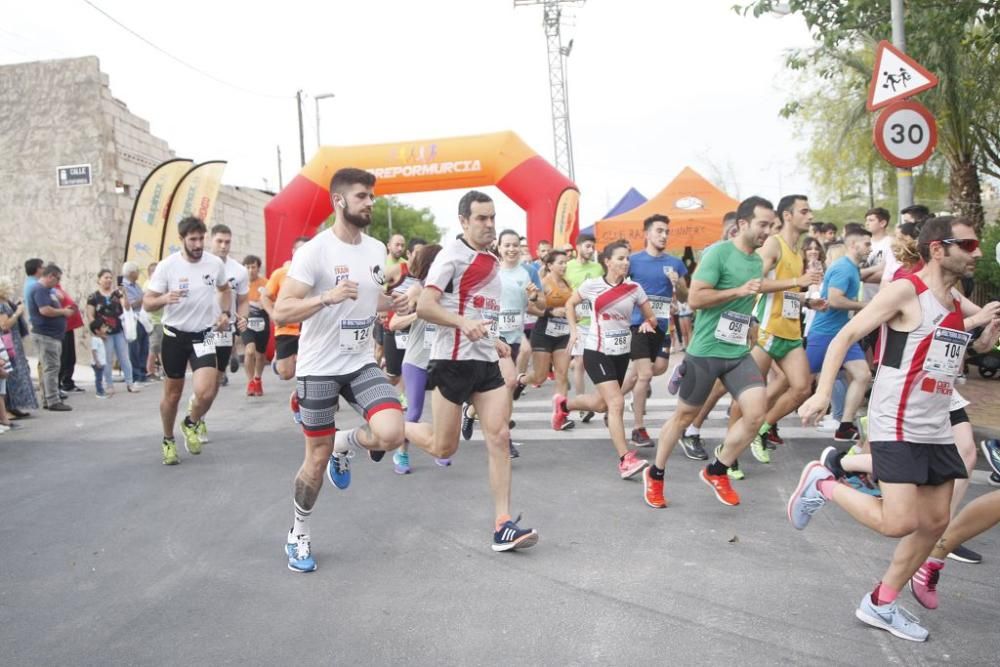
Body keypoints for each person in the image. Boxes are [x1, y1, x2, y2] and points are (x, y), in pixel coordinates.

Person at [791, 216, 989, 642]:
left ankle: (879, 603)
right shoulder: (906, 290)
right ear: (938, 248)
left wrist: (989, 325)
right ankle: (822, 482)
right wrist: (824, 391)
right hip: (897, 418)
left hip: (935, 421)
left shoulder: (954, 301)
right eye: (968, 245)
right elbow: (846, 336)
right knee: (899, 522)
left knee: (935, 521)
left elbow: (978, 347)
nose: (976, 252)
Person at [274, 168, 409, 573]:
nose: (370, 202)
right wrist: (326, 298)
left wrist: (393, 303)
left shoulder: (376, 248)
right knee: (314, 459)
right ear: (339, 201)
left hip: (360, 362)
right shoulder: (314, 251)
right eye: (362, 196)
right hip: (318, 368)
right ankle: (298, 532)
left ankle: (345, 443)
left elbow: (370, 298)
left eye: (372, 196)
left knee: (392, 433)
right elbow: (282, 308)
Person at [403, 190, 539, 553]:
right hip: (452, 361)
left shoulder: (491, 258)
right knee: (442, 446)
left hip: (485, 360)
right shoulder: (451, 257)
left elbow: (483, 307)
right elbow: (426, 307)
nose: (489, 224)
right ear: (463, 221)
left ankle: (503, 523)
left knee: (498, 436)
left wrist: (493, 338)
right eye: (481, 218)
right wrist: (463, 323)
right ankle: (396, 426)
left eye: (492, 217)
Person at [642, 196, 773, 509]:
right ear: (743, 224)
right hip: (706, 351)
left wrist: (752, 317)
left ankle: (718, 469)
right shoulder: (717, 253)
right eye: (763, 224)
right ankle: (656, 473)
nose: (768, 231)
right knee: (683, 417)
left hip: (737, 350)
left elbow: (748, 298)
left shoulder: (756, 260)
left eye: (771, 225)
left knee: (756, 413)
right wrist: (737, 292)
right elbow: (697, 300)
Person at [557, 240, 658, 478]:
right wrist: (573, 331)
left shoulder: (634, 289)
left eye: (627, 258)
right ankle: (625, 460)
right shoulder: (592, 286)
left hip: (621, 353)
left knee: (602, 404)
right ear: (607, 261)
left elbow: (651, 317)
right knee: (616, 403)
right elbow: (570, 304)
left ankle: (563, 405)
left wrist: (647, 323)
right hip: (596, 350)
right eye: (621, 258)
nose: (625, 262)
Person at [742, 195, 826, 465]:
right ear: (787, 216)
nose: (810, 216)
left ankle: (763, 428)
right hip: (767, 329)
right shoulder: (773, 244)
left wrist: (807, 300)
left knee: (802, 388)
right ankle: (728, 450)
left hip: (789, 330)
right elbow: (754, 283)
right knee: (746, 394)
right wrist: (798, 281)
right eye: (804, 211)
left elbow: (787, 292)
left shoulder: (796, 249)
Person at [143, 216, 232, 465]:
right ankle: (168, 439)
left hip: (203, 334)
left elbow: (225, 290)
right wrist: (164, 299)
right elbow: (148, 302)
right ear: (181, 240)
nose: (197, 244)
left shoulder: (214, 264)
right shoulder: (167, 266)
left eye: (201, 238)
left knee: (206, 391)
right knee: (172, 396)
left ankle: (191, 422)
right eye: (192, 239)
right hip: (174, 336)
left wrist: (224, 313)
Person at [618, 215, 689, 447]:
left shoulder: (675, 264)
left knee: (656, 369)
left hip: (662, 326)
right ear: (646, 234)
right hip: (639, 325)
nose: (664, 235)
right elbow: (617, 288)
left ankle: (613, 399)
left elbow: (687, 296)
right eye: (659, 231)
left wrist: (677, 283)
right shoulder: (633, 261)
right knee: (645, 375)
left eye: (667, 231)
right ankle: (639, 429)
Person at [804, 228, 873, 442]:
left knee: (863, 375)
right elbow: (834, 300)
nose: (870, 248)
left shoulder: (852, 267)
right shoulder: (844, 268)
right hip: (824, 334)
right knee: (797, 383)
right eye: (867, 244)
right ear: (853, 246)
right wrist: (868, 306)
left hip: (843, 334)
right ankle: (764, 419)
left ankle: (844, 425)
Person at [392, 243, 449, 474]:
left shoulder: (450, 291)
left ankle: (440, 448)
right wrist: (420, 313)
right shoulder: (416, 290)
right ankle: (400, 453)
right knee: (413, 412)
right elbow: (395, 323)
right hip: (416, 360)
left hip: (442, 360)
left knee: (444, 411)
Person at [513, 249, 572, 410]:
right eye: (560, 263)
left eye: (566, 262)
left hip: (563, 334)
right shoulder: (544, 283)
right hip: (543, 333)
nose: (564, 266)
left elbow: (570, 306)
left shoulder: (567, 283)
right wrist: (550, 312)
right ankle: (521, 380)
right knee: (540, 377)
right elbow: (530, 308)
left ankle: (561, 414)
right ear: (550, 265)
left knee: (562, 375)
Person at [263, 236, 309, 421]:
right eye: (300, 250)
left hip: (308, 328)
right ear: (293, 252)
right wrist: (273, 314)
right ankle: (279, 360)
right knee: (286, 373)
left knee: (309, 366)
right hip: (286, 329)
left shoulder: (317, 274)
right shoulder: (280, 274)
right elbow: (265, 297)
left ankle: (300, 397)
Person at [205, 224, 250, 402]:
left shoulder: (239, 270)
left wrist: (243, 318)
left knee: (216, 378)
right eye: (219, 241)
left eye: (227, 242)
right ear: (211, 240)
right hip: (203, 329)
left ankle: (200, 409)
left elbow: (243, 300)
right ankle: (196, 413)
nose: (223, 246)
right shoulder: (200, 264)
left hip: (225, 331)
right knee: (205, 374)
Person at [564, 233, 604, 422]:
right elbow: (562, 290)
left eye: (593, 247)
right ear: (578, 246)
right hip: (578, 323)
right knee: (579, 362)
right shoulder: (568, 267)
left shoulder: (597, 268)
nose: (591, 250)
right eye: (588, 246)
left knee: (595, 362)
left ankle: (598, 400)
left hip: (596, 322)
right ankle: (581, 405)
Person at [86, 269, 140, 396]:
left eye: (110, 277)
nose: (109, 280)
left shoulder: (117, 293)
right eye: (106, 277)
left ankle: (130, 383)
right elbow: (90, 315)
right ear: (99, 280)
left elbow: (126, 307)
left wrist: (124, 292)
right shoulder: (93, 297)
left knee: (124, 358)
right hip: (104, 332)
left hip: (118, 330)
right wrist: (97, 331)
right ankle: (109, 385)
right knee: (107, 359)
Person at [28, 264, 73, 411]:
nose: (58, 282)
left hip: (51, 335)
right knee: (52, 368)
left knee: (50, 367)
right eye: (57, 279)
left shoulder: (46, 290)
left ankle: (49, 399)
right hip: (45, 335)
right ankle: (53, 400)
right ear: (50, 276)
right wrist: (63, 312)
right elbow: (45, 310)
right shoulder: (40, 289)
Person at [0, 277, 37, 416]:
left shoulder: (6, 303)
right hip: (8, 343)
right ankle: (9, 409)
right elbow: (4, 325)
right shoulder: (1, 304)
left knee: (17, 373)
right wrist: (18, 312)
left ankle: (14, 406)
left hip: (13, 342)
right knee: (11, 374)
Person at [241, 254, 270, 396]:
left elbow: (272, 301)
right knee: (249, 351)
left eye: (253, 267)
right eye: (247, 267)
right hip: (246, 321)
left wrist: (263, 304)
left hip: (262, 322)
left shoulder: (265, 283)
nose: (250, 270)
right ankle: (250, 382)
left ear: (258, 268)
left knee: (260, 355)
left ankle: (258, 379)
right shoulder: (240, 283)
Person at [54, 280, 85, 393]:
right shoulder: (51, 289)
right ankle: (61, 383)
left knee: (70, 357)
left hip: (68, 327)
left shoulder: (58, 288)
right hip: (63, 328)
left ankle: (67, 382)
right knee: (64, 357)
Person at [121, 261, 149, 385]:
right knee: (134, 348)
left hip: (142, 318)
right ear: (132, 273)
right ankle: (136, 374)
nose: (139, 273)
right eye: (137, 271)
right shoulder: (123, 287)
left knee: (144, 346)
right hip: (132, 320)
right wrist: (144, 299)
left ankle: (143, 372)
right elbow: (130, 305)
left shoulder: (136, 286)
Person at [145, 261, 164, 380]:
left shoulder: (156, 284)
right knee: (155, 347)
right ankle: (150, 371)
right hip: (154, 321)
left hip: (160, 320)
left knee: (159, 347)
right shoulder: (149, 285)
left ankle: (164, 369)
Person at [89, 319, 110, 399]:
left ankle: (101, 390)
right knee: (99, 378)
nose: (105, 329)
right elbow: (94, 351)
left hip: (101, 362)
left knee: (100, 377)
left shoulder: (99, 338)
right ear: (97, 331)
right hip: (97, 363)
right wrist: (97, 361)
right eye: (103, 327)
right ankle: (99, 392)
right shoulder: (95, 340)